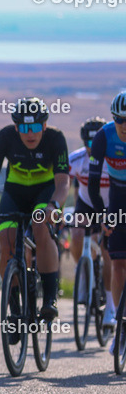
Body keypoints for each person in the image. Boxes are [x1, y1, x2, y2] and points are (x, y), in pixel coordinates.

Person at [0, 97, 69, 336]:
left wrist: (54, 205)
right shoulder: (5, 137)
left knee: (39, 227)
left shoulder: (56, 139)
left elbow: (63, 182)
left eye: (35, 127)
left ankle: (49, 298)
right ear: (16, 127)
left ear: (44, 126)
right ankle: (14, 309)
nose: (30, 133)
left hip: (45, 194)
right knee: (6, 240)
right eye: (24, 128)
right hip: (15, 192)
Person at [88, 95, 126, 351]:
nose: (124, 124)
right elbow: (92, 185)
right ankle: (120, 327)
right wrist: (104, 216)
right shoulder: (103, 136)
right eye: (120, 119)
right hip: (118, 195)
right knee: (118, 261)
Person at [68, 117, 113, 326]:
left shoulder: (114, 158)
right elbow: (60, 181)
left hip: (111, 205)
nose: (91, 149)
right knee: (76, 234)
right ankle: (83, 272)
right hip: (86, 204)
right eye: (87, 145)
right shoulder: (76, 159)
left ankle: (110, 305)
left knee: (107, 250)